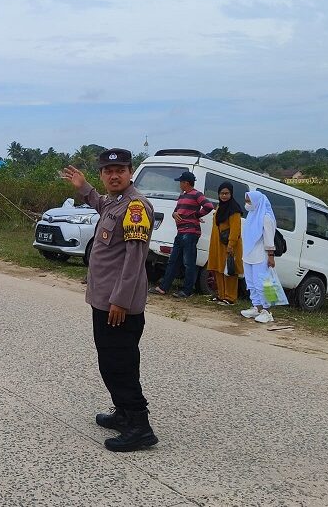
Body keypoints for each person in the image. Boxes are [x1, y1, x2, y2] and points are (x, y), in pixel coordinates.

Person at [62, 148, 158, 453]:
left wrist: (120, 300)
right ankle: (123, 413)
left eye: (120, 170)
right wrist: (84, 188)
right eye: (108, 171)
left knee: (120, 363)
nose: (114, 176)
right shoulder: (116, 203)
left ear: (130, 172)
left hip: (119, 304)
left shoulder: (136, 208)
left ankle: (140, 426)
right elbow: (101, 203)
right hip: (104, 300)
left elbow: (134, 259)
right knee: (110, 359)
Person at [151, 171, 214, 298]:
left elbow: (208, 206)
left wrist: (196, 215)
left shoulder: (196, 194)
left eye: (181, 182)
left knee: (188, 263)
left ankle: (187, 291)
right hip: (181, 232)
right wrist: (174, 214)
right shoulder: (182, 196)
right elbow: (176, 211)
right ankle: (164, 287)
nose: (179, 184)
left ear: (186, 183)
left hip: (190, 233)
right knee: (173, 261)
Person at [240, 191, 277, 323]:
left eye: (249, 201)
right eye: (246, 201)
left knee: (263, 284)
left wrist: (271, 256)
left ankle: (267, 311)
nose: (247, 204)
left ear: (257, 201)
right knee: (251, 283)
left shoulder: (266, 217)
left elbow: (269, 238)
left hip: (261, 255)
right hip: (249, 254)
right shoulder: (252, 215)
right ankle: (257, 307)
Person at [206, 182, 244, 306]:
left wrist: (231, 245)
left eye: (226, 193)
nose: (224, 196)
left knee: (230, 271)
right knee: (218, 269)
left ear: (231, 194)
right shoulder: (220, 207)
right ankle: (221, 295)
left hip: (229, 245)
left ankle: (230, 297)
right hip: (217, 244)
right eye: (221, 193)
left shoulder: (234, 209)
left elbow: (235, 229)